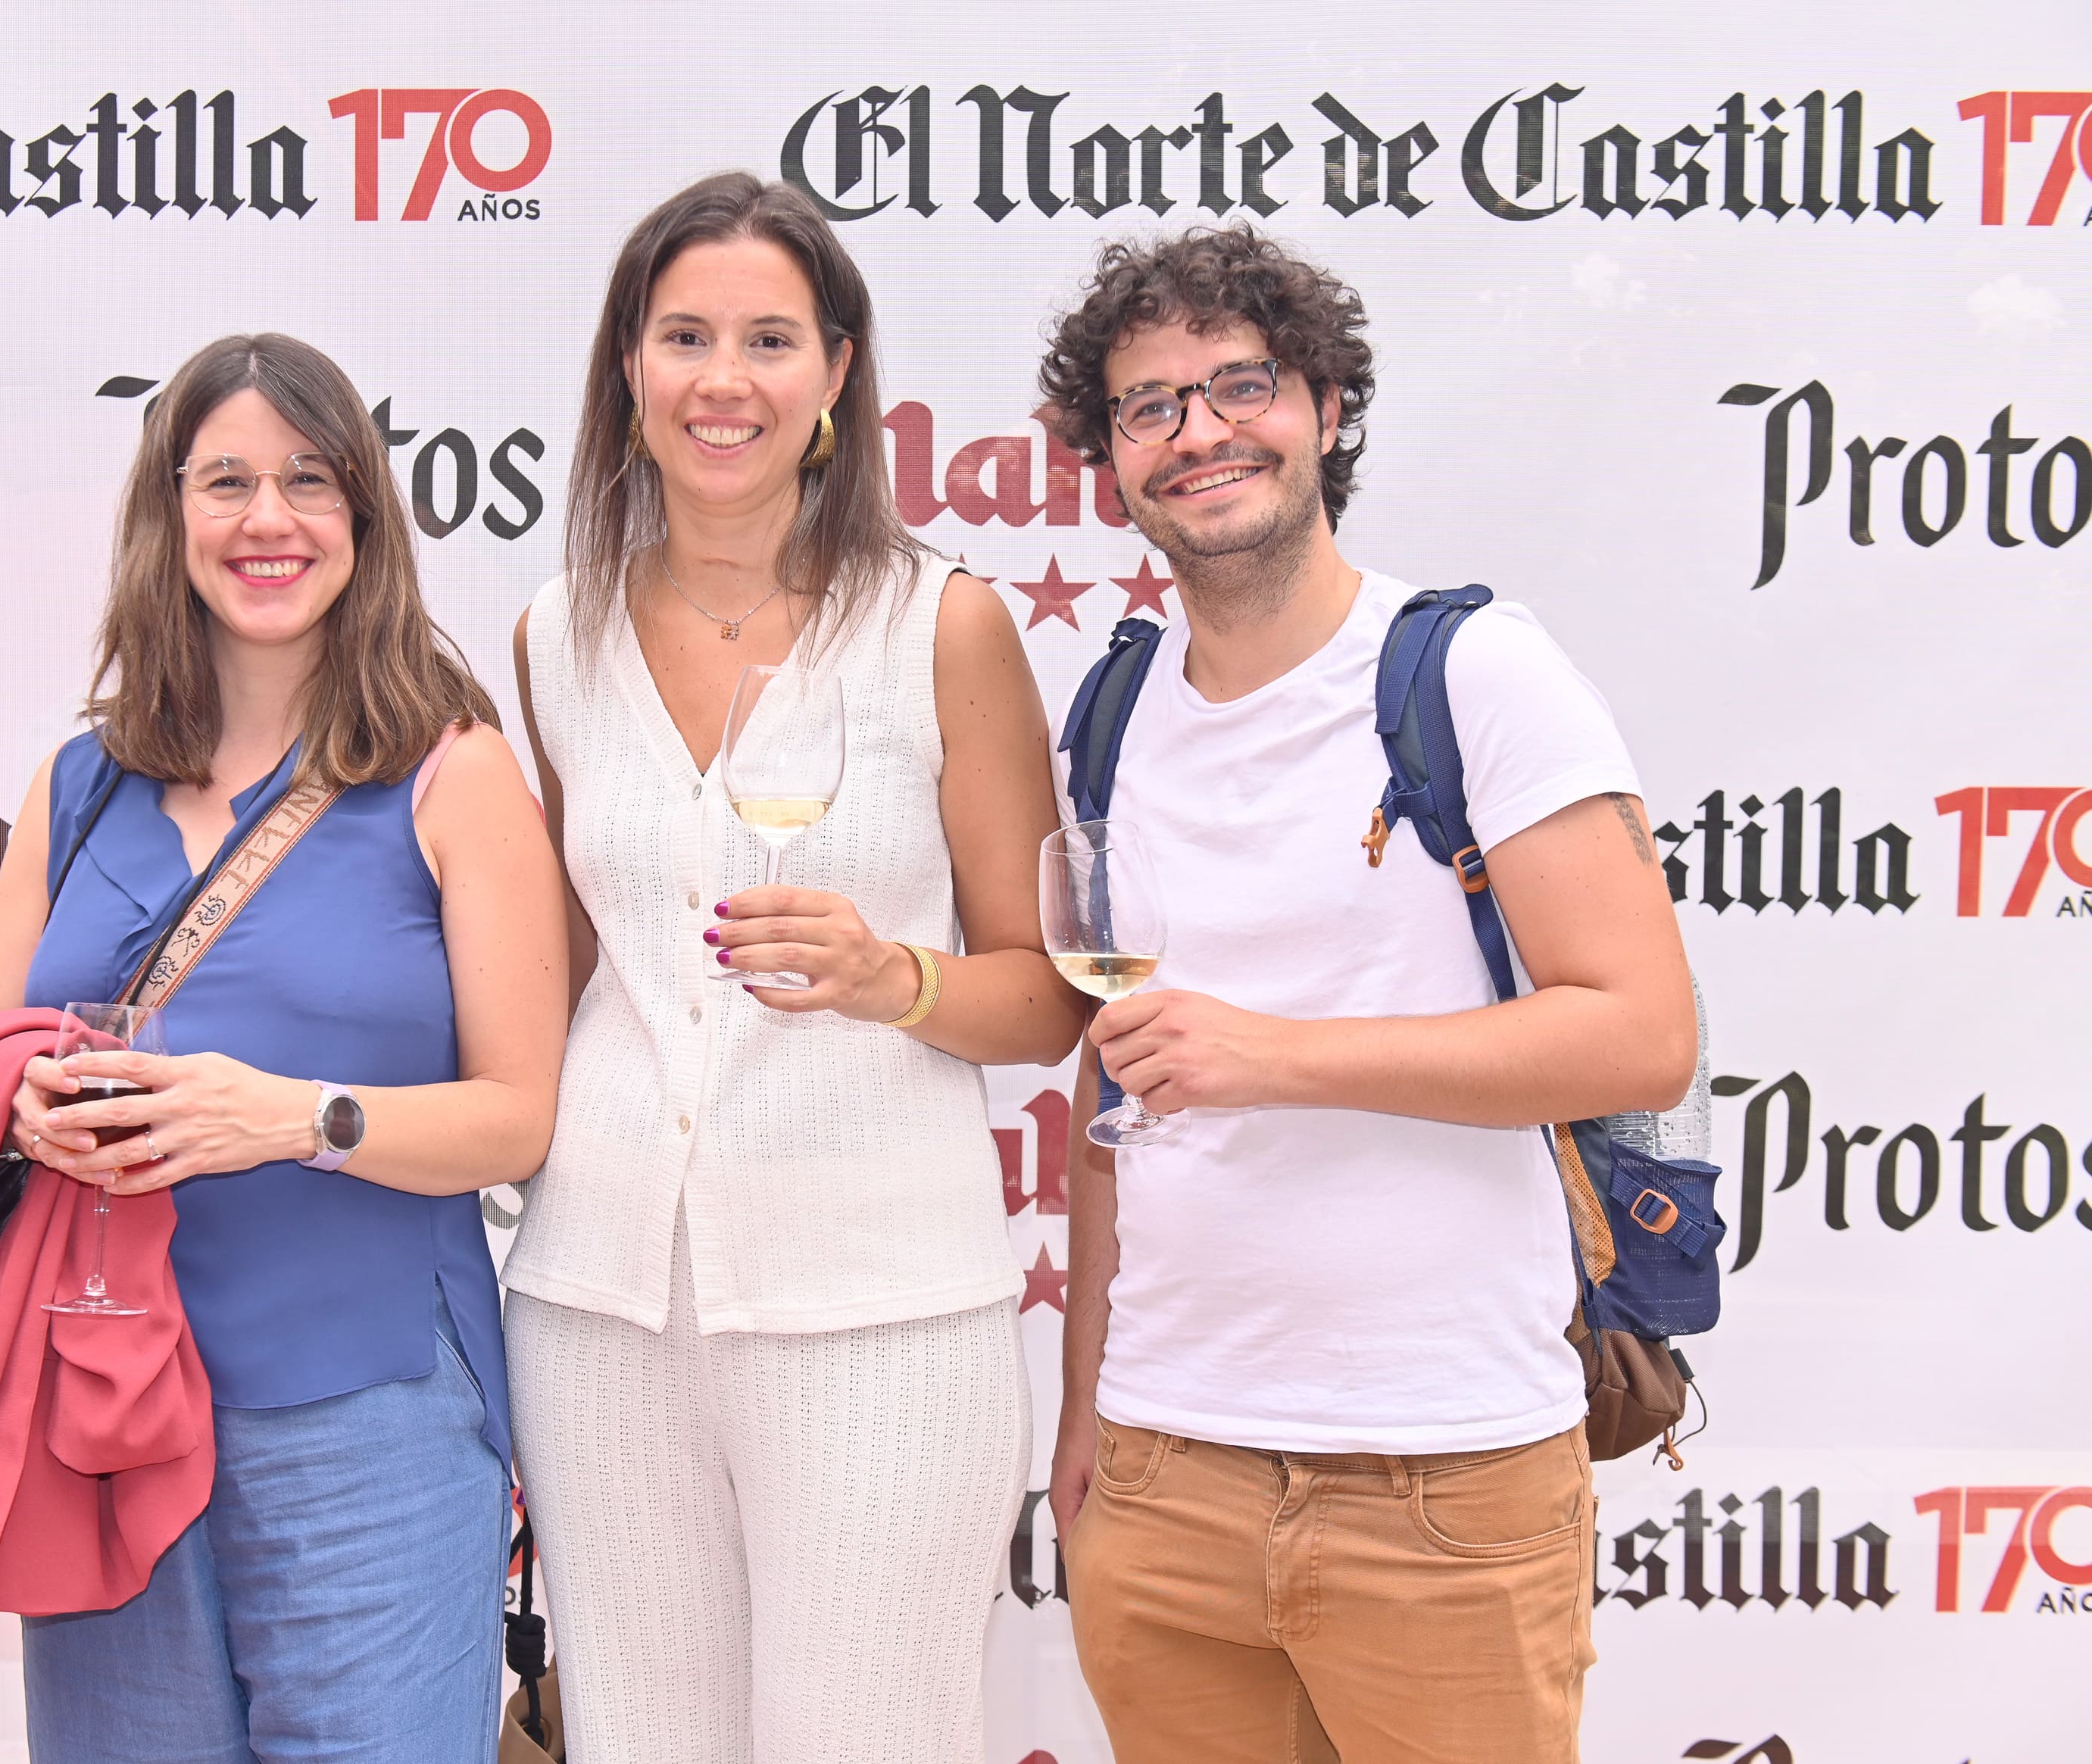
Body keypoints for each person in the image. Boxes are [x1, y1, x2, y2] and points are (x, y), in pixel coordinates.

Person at [1037, 228, 1697, 1764]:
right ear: (1110, 459)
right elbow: (1113, 1092)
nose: (1197, 430)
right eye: (1149, 405)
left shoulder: (1472, 672)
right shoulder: (1114, 708)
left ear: (1326, 408)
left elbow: (1638, 1027)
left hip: (1443, 1474)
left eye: (1239, 385)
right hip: (1163, 1466)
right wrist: (1087, 1422)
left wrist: (1277, 1055)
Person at [501, 171, 1084, 1762]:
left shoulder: (941, 626)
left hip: (878, 1308)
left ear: (836, 373)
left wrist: (894, 978)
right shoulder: (558, 632)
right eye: (683, 335)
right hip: (599, 1302)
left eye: (768, 338)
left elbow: (1045, 993)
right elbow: (552, 974)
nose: (723, 379)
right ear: (627, 369)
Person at [0, 332, 567, 1762]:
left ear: (362, 512)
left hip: (371, 1423)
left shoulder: (453, 771)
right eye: (224, 481)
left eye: (308, 478)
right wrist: (23, 1103)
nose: (267, 519)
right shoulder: (78, 783)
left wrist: (301, 1117)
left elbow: (520, 1116)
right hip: (105, 1410)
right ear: (169, 518)